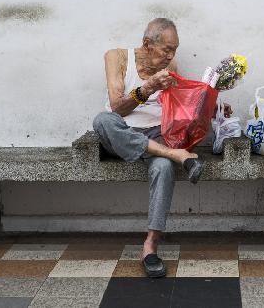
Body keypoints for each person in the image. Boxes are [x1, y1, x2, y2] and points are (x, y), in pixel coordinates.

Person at [93, 18, 231, 277]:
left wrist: (213, 105)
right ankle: (176, 155)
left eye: (175, 50)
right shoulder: (117, 57)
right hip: (122, 134)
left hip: (158, 135)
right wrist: (147, 88)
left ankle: (151, 245)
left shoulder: (170, 66)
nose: (171, 56)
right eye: (167, 49)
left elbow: (181, 108)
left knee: (163, 168)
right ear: (147, 44)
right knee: (102, 121)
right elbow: (116, 106)